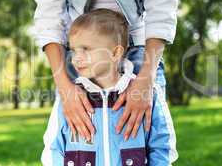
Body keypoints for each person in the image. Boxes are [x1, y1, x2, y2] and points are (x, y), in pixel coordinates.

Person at [32, 0, 181, 145]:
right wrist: (64, 86)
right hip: (79, 50)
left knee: (145, 138)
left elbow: (162, 2)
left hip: (141, 49)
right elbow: (49, 13)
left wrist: (146, 78)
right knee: (78, 142)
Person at [41, 9, 178, 166]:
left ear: (115, 53)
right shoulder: (69, 99)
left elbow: (162, 146)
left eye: (85, 49)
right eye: (73, 51)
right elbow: (53, 148)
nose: (76, 58)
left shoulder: (149, 95)